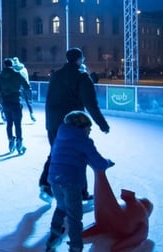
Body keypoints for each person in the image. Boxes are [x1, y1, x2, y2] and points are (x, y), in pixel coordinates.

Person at [39, 48, 110, 204]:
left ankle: (45, 184)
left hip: (53, 122)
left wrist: (49, 123)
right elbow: (91, 104)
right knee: (79, 155)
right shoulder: (81, 77)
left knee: (56, 152)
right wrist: (102, 124)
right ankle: (80, 192)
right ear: (79, 59)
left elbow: (48, 99)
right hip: (73, 123)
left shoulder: (56, 75)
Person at [42, 111, 114, 252]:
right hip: (70, 182)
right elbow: (98, 162)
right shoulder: (83, 140)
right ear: (81, 127)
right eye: (88, 127)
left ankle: (54, 237)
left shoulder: (61, 136)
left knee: (61, 207)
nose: (90, 130)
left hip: (55, 179)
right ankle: (75, 247)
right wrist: (108, 163)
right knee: (74, 217)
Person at [0, 58, 31, 155]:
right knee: (18, 124)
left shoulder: (0, 76)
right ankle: (19, 143)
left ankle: (10, 140)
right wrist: (29, 96)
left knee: (9, 123)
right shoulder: (17, 74)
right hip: (16, 101)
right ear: (12, 64)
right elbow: (27, 86)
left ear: (4, 65)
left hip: (5, 102)